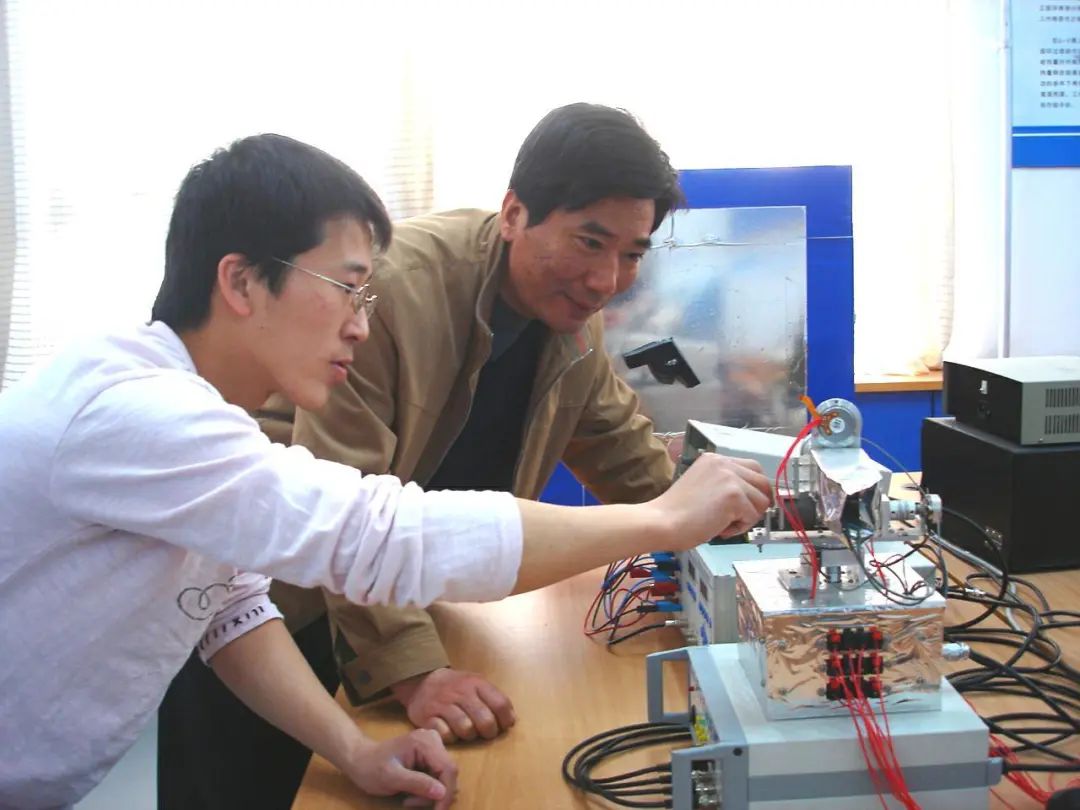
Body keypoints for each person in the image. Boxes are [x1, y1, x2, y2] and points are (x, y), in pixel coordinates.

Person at [0, 132, 772, 810]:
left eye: (366, 295)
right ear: (240, 282)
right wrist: (660, 521)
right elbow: (375, 534)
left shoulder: (193, 419)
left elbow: (229, 607)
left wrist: (355, 751)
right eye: (346, 289)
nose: (361, 325)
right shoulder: (136, 415)